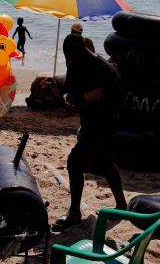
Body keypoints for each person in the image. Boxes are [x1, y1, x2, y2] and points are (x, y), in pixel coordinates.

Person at [52, 33, 126, 230]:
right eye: (66, 56)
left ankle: (75, 213)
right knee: (105, 162)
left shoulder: (103, 69)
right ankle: (121, 204)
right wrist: (67, 98)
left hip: (105, 122)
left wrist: (80, 101)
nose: (69, 59)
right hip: (89, 122)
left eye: (71, 55)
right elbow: (69, 88)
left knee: (74, 162)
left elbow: (104, 100)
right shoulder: (74, 63)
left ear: (81, 50)